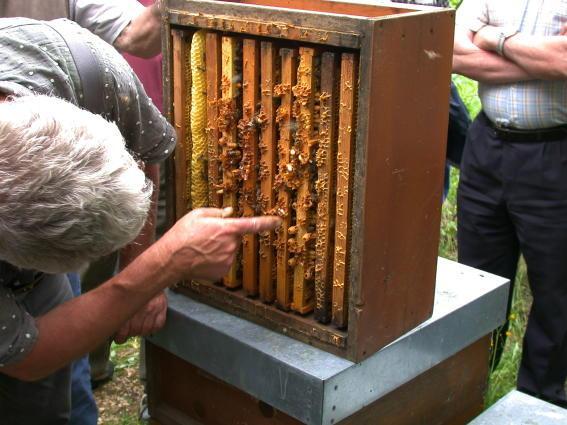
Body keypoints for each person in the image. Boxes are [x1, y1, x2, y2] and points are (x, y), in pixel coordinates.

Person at [0, 17, 281, 424]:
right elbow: (28, 356)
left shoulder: (78, 63)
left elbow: (145, 149)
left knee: (62, 389)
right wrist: (160, 267)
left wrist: (136, 262)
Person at [453, 0, 567, 408]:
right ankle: (468, 391)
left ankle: (537, 403)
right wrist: (541, 59)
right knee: (476, 283)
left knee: (557, 292)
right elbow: (451, 52)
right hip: (486, 149)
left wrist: (493, 39)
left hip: (555, 153)